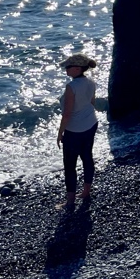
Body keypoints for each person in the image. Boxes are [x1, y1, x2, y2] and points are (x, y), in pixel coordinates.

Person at [57, 53, 98, 207]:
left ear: (76, 69)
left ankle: (70, 201)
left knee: (70, 164)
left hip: (74, 130)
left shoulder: (71, 87)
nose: (65, 70)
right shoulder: (91, 82)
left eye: (68, 67)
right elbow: (91, 102)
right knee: (87, 157)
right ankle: (86, 191)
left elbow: (67, 113)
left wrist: (60, 133)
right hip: (91, 123)